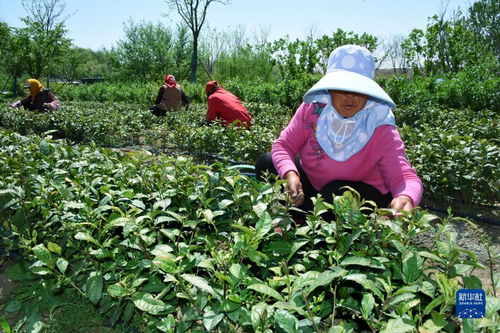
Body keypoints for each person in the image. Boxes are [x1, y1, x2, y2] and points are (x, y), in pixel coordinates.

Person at [255, 44, 423, 220]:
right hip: (314, 186)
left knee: (336, 195)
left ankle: (315, 228)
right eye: (342, 88)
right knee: (267, 163)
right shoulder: (313, 110)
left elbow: (404, 176)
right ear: (330, 89)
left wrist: (405, 197)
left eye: (359, 89)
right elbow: (283, 146)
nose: (350, 96)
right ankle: (298, 219)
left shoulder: (379, 123)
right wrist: (290, 174)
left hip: (360, 193)